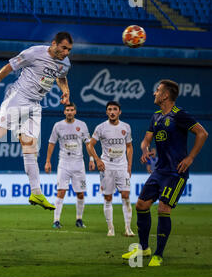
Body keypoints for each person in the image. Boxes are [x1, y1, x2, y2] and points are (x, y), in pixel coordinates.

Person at [0, 32, 73, 211]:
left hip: (35, 105)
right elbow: (9, 67)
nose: (66, 52)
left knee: (30, 148)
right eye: (64, 48)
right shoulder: (34, 53)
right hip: (18, 98)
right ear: (54, 44)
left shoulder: (64, 62)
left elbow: (61, 76)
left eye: (69, 49)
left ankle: (36, 192)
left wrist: (65, 91)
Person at [122, 79, 208, 266]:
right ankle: (144, 248)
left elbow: (202, 133)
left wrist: (190, 158)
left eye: (158, 90)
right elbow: (146, 140)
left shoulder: (180, 115)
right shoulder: (156, 116)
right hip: (159, 171)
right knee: (141, 205)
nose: (154, 93)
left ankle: (158, 254)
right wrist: (145, 150)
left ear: (166, 95)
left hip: (176, 173)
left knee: (163, 208)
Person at [86, 101, 135, 237]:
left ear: (119, 112)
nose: (112, 112)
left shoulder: (126, 127)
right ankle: (110, 228)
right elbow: (90, 145)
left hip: (122, 166)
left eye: (115, 109)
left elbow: (130, 147)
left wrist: (129, 166)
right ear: (106, 112)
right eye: (109, 109)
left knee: (125, 195)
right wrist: (97, 159)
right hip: (107, 166)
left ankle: (128, 228)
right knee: (108, 197)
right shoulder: (101, 127)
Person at [44, 103, 94, 228]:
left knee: (80, 193)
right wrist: (48, 161)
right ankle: (56, 221)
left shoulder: (82, 125)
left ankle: (79, 219)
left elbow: (88, 143)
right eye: (67, 110)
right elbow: (51, 143)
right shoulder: (58, 126)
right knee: (61, 191)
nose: (70, 112)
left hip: (78, 163)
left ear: (75, 112)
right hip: (64, 163)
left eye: (72, 110)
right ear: (64, 112)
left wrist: (92, 159)